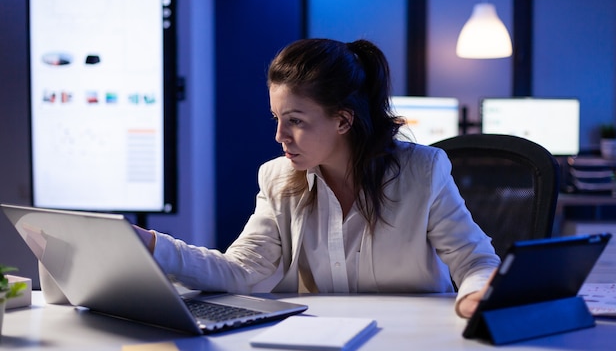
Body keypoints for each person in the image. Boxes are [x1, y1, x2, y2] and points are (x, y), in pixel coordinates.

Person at [135, 38, 500, 318]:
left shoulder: (423, 171)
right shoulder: (277, 178)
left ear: (343, 120)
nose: (280, 135)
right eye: (276, 118)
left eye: (295, 120)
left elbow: (476, 261)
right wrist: (151, 244)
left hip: (410, 341)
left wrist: (475, 295)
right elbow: (242, 269)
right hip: (317, 346)